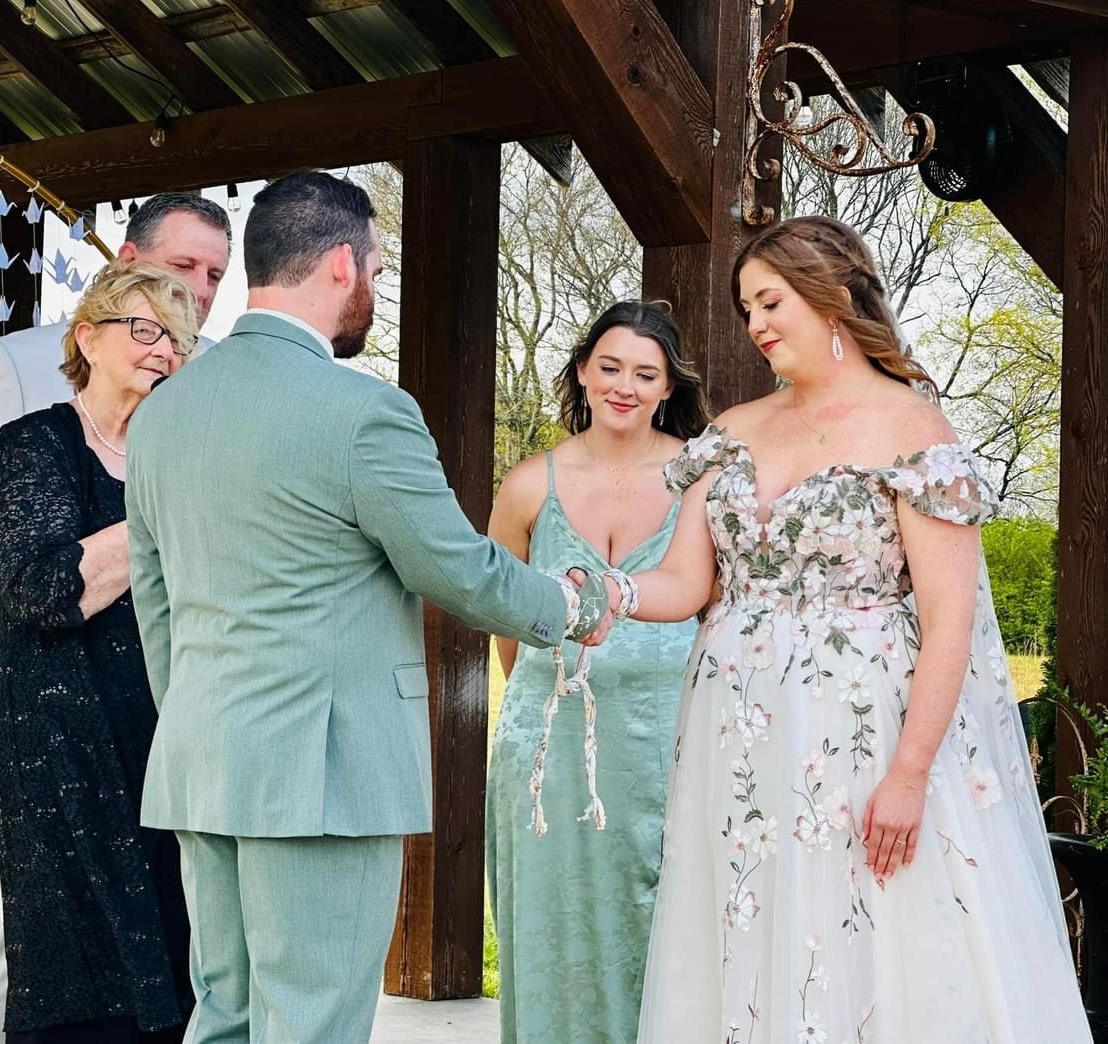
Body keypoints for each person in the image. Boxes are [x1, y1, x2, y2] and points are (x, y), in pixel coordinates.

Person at [124, 170, 614, 1044]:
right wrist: (571, 609)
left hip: (202, 761)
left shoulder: (165, 411)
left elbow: (154, 603)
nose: (377, 290)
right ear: (343, 265)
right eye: (379, 271)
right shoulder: (365, 413)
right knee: (312, 1023)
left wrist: (200, 718)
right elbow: (456, 567)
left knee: (224, 1016)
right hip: (323, 775)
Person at [609, 216, 1092, 1042]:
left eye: (770, 302)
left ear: (831, 296)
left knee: (868, 933)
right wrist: (600, 596)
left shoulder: (912, 430)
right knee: (752, 930)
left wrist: (909, 773)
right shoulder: (732, 431)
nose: (755, 324)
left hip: (865, 737)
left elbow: (949, 626)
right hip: (740, 742)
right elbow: (687, 583)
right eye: (747, 308)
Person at [0, 192, 231, 1044]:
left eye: (212, 278)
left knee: (170, 942)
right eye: (182, 268)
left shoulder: (204, 402)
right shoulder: (22, 381)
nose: (198, 293)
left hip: (169, 717)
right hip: (55, 721)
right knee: (39, 943)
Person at [0, 261, 198, 1043]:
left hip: (167, 742)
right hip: (60, 754)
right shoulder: (34, 444)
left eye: (178, 339)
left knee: (175, 966)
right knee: (78, 979)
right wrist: (160, 513)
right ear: (87, 339)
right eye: (144, 330)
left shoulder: (184, 458)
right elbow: (42, 589)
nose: (164, 350)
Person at [485, 301, 708, 1043]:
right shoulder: (528, 486)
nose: (624, 386)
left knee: (665, 922)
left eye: (645, 373)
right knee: (554, 923)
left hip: (666, 741)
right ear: (582, 371)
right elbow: (507, 624)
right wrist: (545, 704)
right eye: (609, 367)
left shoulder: (699, 479)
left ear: (668, 386)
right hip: (547, 752)